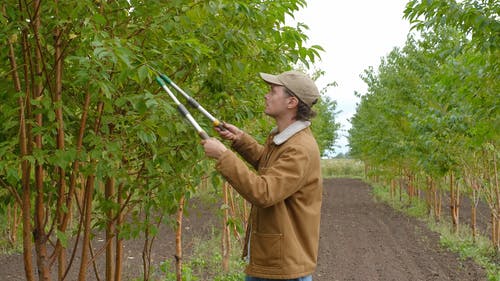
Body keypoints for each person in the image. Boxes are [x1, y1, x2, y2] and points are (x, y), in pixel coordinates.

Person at [201, 70, 323, 281]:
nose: (266, 96)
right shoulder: (286, 139)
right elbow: (270, 166)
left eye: (272, 91)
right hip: (274, 260)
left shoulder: (299, 148)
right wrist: (239, 139)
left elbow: (264, 191)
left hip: (283, 269)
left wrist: (223, 155)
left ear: (291, 102)